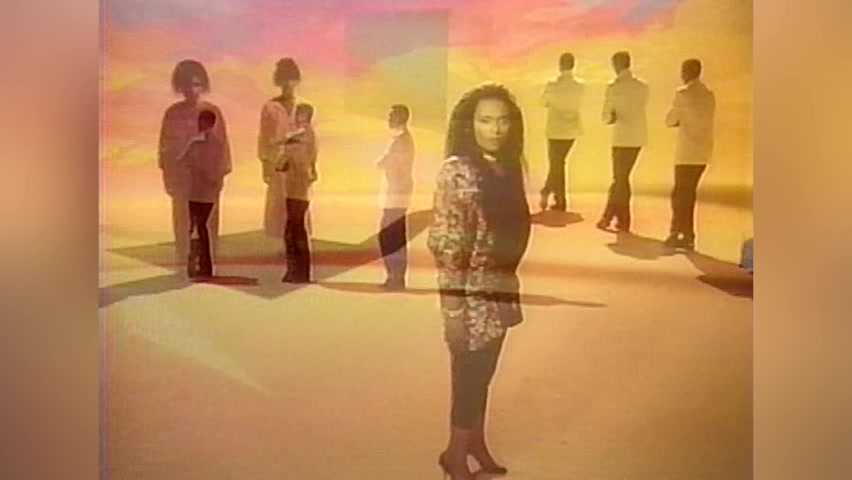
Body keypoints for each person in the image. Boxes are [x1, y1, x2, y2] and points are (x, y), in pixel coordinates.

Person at [428, 83, 531, 480]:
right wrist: (453, 310)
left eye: (503, 120)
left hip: (501, 288)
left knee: (485, 372)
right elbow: (448, 246)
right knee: (469, 375)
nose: (496, 129)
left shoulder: (506, 166)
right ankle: (454, 454)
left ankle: (475, 441)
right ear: (469, 125)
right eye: (486, 120)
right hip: (469, 293)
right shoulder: (458, 172)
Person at [158, 59, 231, 266]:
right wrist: (170, 178)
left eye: (197, 84)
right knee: (183, 221)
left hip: (208, 179)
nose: (192, 90)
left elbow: (222, 146)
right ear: (180, 86)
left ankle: (209, 260)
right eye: (188, 85)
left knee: (209, 222)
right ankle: (184, 259)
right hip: (183, 179)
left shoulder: (213, 111)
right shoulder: (172, 114)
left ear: (203, 85)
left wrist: (220, 174)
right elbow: (165, 148)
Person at [664, 59, 716, 250]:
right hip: (703, 151)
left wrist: (679, 120)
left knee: (679, 194)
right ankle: (687, 235)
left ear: (685, 72)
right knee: (689, 193)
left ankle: (676, 232)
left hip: (686, 152)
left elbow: (670, 120)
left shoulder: (682, 93)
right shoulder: (709, 95)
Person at [258, 58, 308, 252]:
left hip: (299, 164)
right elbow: (264, 138)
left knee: (298, 207)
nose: (288, 84)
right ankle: (282, 248)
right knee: (279, 206)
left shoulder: (303, 107)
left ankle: (297, 247)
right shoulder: (270, 107)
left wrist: (312, 165)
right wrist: (265, 165)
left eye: (291, 79)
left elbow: (310, 138)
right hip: (278, 164)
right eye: (284, 79)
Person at [597, 51, 649, 233]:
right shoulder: (642, 87)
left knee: (620, 179)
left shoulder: (613, 87)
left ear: (616, 65)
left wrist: (611, 117)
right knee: (622, 179)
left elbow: (606, 116)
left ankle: (611, 217)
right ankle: (619, 219)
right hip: (638, 137)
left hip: (621, 138)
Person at [177, 109, 230, 277]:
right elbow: (221, 167)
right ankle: (203, 266)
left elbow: (181, 161)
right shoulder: (218, 144)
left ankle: (198, 265)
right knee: (201, 226)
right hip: (208, 191)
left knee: (197, 226)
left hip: (198, 190)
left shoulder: (197, 142)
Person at [539, 52, 585, 212]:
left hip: (555, 129)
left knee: (557, 163)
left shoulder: (552, 85)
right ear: (573, 65)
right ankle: (557, 197)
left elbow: (542, 102)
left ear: (560, 65)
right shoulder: (580, 86)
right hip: (571, 129)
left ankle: (553, 194)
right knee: (559, 163)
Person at [376, 104, 415, 291]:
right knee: (391, 235)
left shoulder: (402, 142)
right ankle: (394, 275)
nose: (389, 119)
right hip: (394, 193)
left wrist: (385, 162)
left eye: (392, 116)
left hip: (397, 193)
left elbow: (393, 165)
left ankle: (396, 276)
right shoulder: (398, 140)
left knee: (391, 235)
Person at [280, 103, 318, 283]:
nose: (296, 116)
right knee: (293, 230)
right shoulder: (301, 136)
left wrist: (287, 155)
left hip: (298, 188)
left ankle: (299, 271)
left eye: (300, 114)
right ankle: (297, 270)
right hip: (294, 187)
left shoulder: (304, 136)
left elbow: (300, 160)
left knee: (295, 230)